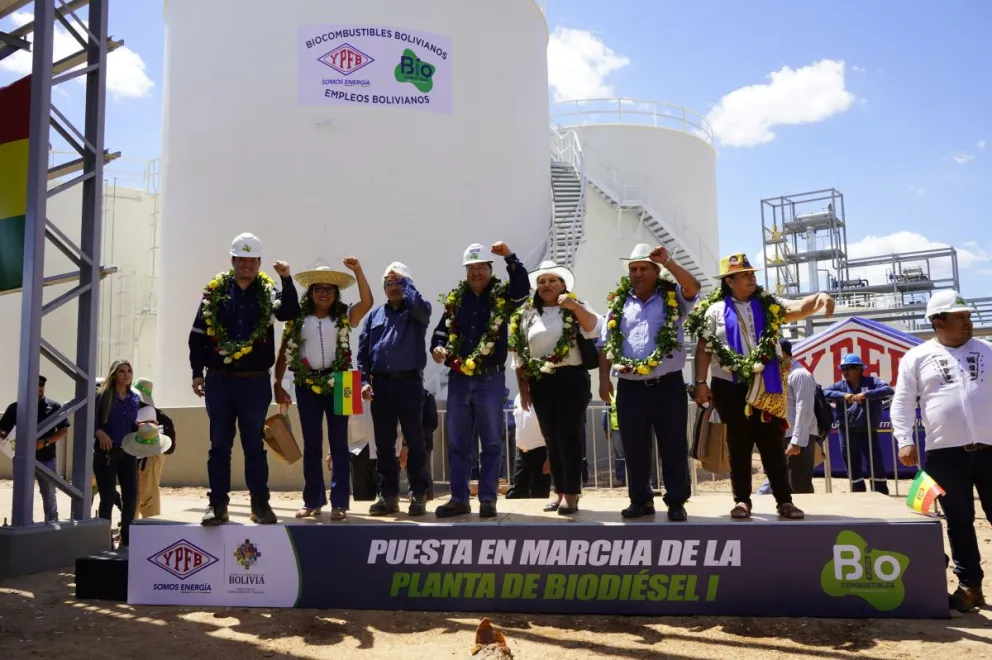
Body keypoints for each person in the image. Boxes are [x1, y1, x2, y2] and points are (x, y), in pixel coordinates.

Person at [689, 252, 835, 521]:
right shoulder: (713, 311)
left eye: (752, 273)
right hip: (729, 385)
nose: (751, 278)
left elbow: (797, 308)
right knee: (739, 444)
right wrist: (699, 383)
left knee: (771, 443)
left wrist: (819, 298)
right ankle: (742, 501)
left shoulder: (769, 304)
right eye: (745, 275)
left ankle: (784, 501)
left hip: (767, 383)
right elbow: (703, 349)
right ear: (729, 281)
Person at [189, 232, 300, 526]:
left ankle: (260, 505)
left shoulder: (268, 291)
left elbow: (290, 312)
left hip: (254, 383)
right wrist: (196, 373)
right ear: (233, 260)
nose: (247, 265)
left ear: (259, 262)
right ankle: (217, 506)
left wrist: (286, 279)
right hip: (220, 382)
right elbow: (197, 335)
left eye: (252, 260)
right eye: (242, 259)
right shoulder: (215, 292)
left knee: (254, 445)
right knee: (219, 445)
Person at [892, 290, 992, 612]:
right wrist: (904, 439)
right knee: (958, 519)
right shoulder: (916, 357)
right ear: (939, 322)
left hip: (990, 449)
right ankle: (969, 586)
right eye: (960, 317)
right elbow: (903, 401)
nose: (968, 321)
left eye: (968, 316)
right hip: (944, 454)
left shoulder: (988, 351)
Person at [598, 243, 700, 521]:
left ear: (657, 272)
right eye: (633, 269)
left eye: (644, 268)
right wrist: (603, 379)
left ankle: (676, 501)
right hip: (629, 387)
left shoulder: (673, 297)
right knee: (634, 446)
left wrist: (670, 262)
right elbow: (605, 343)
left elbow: (694, 288)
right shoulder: (619, 303)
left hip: (667, 384)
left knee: (674, 445)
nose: (638, 273)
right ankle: (640, 499)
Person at [431, 242, 530, 518]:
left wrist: (510, 257)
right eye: (471, 268)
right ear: (466, 272)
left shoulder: (501, 296)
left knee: (491, 441)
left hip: (490, 379)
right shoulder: (456, 300)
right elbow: (440, 332)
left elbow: (522, 289)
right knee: (458, 441)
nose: (476, 273)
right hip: (459, 379)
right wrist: (437, 348)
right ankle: (459, 499)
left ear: (490, 269)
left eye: (481, 267)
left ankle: (488, 499)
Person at [275, 259, 373, 521]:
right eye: (319, 289)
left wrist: (358, 271)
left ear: (336, 293)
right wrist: (277, 382)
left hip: (341, 383)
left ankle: (339, 502)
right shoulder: (298, 317)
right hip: (306, 384)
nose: (324, 293)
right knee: (312, 444)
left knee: (340, 443)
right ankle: (312, 500)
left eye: (330, 289)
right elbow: (284, 351)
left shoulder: (344, 316)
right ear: (311, 291)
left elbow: (367, 303)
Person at [511, 260, 603, 515]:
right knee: (550, 438)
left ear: (563, 285)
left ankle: (571, 493)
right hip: (540, 380)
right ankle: (558, 489)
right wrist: (524, 388)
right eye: (541, 281)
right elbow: (520, 354)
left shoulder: (575, 306)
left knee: (569, 436)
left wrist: (574, 307)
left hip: (571, 378)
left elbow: (595, 327)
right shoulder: (527, 314)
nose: (546, 285)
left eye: (552, 280)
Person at [358, 261, 433, 516]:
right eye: (389, 283)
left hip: (409, 384)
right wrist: (364, 382)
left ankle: (418, 494)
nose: (393, 287)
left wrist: (406, 282)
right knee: (384, 445)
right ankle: (388, 495)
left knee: (414, 441)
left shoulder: (417, 310)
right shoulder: (374, 315)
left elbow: (424, 311)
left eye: (398, 282)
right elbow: (362, 355)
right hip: (381, 386)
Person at [0, 375, 70, 522]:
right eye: (35, 385)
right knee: (22, 494)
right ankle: (23, 524)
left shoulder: (54, 407)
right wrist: (9, 439)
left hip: (47, 458)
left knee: (49, 494)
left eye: (41, 386)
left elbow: (64, 430)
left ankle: (51, 524)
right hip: (22, 459)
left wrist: (46, 441)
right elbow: (3, 430)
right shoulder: (15, 408)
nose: (38, 388)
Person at [755, 339, 819, 495]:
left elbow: (804, 409)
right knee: (783, 482)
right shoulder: (779, 375)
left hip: (796, 438)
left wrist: (797, 442)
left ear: (781, 352)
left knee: (798, 485)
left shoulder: (799, 374)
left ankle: (809, 518)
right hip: (782, 436)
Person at [824, 353, 893, 494]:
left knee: (875, 463)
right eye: (843, 369)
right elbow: (824, 392)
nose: (845, 372)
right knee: (852, 463)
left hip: (868, 431)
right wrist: (843, 396)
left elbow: (888, 390)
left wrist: (867, 395)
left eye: (848, 368)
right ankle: (858, 493)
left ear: (859, 369)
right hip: (847, 432)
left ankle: (880, 493)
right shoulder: (840, 386)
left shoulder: (872, 382)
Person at [93, 360, 141, 547]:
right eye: (122, 371)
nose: (127, 374)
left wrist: (143, 430)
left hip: (128, 451)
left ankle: (126, 538)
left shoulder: (134, 398)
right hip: (106, 453)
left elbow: (132, 425)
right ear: (114, 374)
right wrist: (99, 432)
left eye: (129, 371)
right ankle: (104, 539)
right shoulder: (101, 396)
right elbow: (90, 420)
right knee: (107, 496)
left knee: (131, 496)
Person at [132, 378, 176, 519]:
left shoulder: (146, 410)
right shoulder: (144, 409)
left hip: (148, 457)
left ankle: (148, 528)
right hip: (147, 455)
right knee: (139, 493)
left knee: (147, 495)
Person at [506, 393, 551, 499]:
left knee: (538, 496)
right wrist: (518, 443)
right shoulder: (518, 397)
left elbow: (550, 430)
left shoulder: (545, 397)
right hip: (522, 453)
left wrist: (549, 459)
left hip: (541, 453)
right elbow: (519, 422)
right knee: (517, 494)